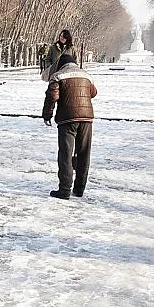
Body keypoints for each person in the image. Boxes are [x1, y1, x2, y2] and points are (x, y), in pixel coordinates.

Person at [42, 53, 97, 200]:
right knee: (84, 153)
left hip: (67, 118)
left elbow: (52, 97)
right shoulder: (86, 75)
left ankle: (64, 189)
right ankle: (79, 189)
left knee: (66, 154)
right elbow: (93, 93)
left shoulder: (58, 76)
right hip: (87, 118)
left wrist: (47, 115)